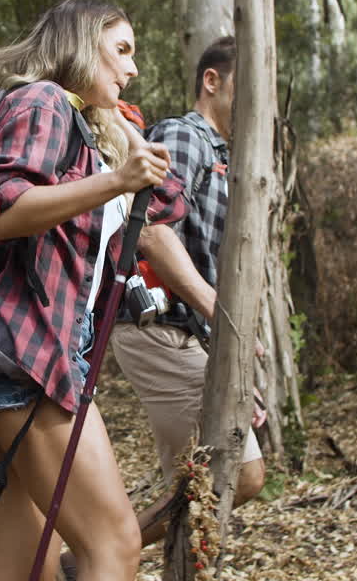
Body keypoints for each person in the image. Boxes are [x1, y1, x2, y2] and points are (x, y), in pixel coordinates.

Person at [0, 0, 187, 581]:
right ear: (84, 45)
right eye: (122, 50)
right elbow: (4, 209)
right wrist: (114, 181)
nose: (132, 68)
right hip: (25, 362)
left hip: (13, 364)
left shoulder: (81, 123)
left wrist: (120, 136)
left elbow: (166, 202)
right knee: (113, 545)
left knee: (22, 568)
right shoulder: (41, 100)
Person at [64, 36, 265, 576]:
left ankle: (106, 552)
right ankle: (91, 556)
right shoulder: (184, 134)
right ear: (212, 81)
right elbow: (148, 231)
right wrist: (223, 319)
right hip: (160, 325)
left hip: (191, 332)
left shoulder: (224, 156)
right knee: (235, 473)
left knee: (198, 477)